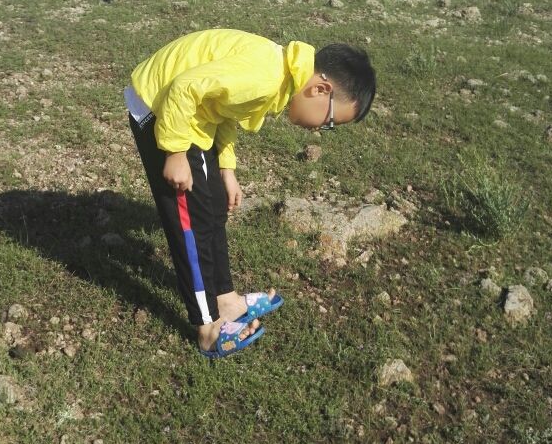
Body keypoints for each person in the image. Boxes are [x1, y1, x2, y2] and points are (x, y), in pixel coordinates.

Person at [126, 28, 376, 358]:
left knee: (213, 205)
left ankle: (225, 300)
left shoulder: (282, 77)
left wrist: (226, 170)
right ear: (320, 89)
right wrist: (174, 152)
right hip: (158, 105)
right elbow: (183, 88)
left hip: (191, 113)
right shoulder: (264, 76)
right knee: (190, 224)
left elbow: (225, 108)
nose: (320, 130)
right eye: (330, 122)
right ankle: (207, 329)